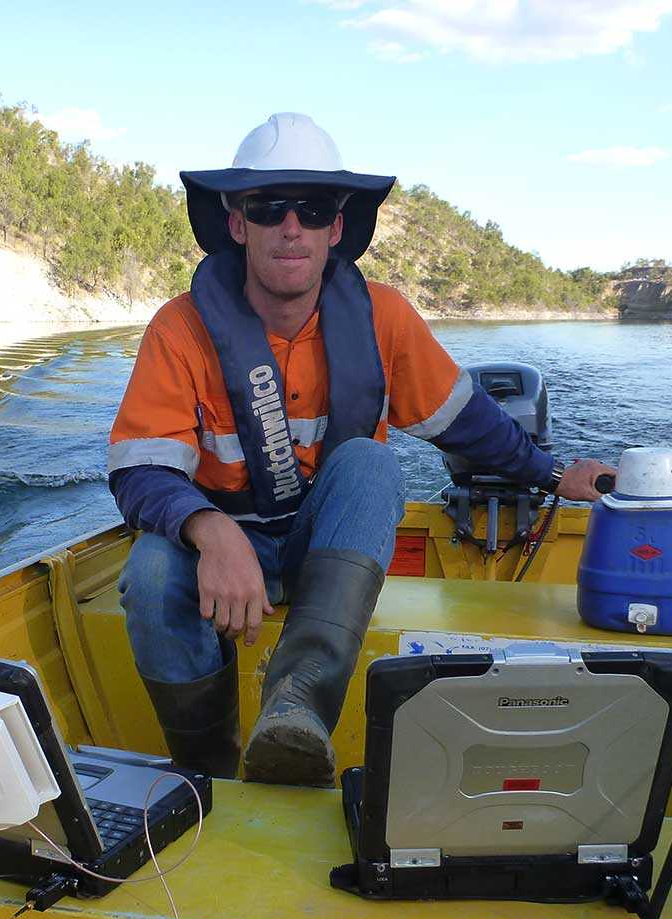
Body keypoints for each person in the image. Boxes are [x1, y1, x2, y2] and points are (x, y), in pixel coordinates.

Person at [108, 113, 613, 786]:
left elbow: (466, 422)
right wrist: (213, 534)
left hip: (327, 545)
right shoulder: (180, 327)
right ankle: (207, 767)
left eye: (312, 209)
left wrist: (554, 474)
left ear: (336, 229)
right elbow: (139, 468)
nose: (291, 227)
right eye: (268, 207)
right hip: (227, 543)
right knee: (147, 574)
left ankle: (296, 712)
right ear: (236, 223)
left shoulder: (384, 317)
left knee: (372, 461)